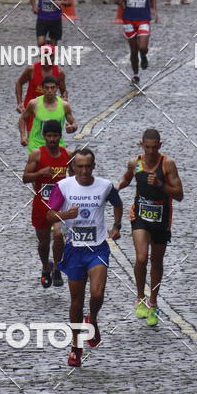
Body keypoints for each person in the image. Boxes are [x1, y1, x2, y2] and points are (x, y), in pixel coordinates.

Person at [46, 147, 123, 366]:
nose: (84, 171)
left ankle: (94, 319)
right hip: (74, 249)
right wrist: (65, 214)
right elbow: (49, 214)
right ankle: (76, 346)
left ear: (94, 166)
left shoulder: (105, 186)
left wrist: (116, 226)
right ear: (73, 167)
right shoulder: (63, 186)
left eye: (88, 166)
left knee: (97, 293)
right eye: (80, 166)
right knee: (76, 301)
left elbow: (117, 204)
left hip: (97, 247)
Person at [117, 129, 184, 327]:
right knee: (140, 257)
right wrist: (113, 188)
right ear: (141, 145)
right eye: (147, 147)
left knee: (156, 262)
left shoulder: (168, 164)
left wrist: (161, 185)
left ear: (160, 146)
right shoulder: (135, 162)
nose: (151, 151)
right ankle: (139, 297)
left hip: (162, 219)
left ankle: (153, 302)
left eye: (155, 147)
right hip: (140, 217)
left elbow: (179, 194)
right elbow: (126, 178)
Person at [22, 119, 71, 288]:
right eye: (49, 136)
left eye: (55, 136)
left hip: (60, 207)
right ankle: (45, 266)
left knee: (59, 236)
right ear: (44, 136)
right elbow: (25, 178)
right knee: (43, 242)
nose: (52, 139)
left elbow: (75, 180)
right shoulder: (37, 154)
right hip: (41, 205)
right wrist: (40, 173)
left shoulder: (67, 155)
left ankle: (57, 267)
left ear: (60, 136)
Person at [116, 0, 158, 85]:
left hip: (143, 19)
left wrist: (154, 11)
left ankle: (144, 55)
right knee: (133, 50)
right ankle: (136, 75)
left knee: (142, 47)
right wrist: (120, 1)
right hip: (128, 20)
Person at [20, 75, 77, 152]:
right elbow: (23, 119)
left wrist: (72, 128)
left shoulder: (64, 105)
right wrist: (23, 136)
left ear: (57, 88)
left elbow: (74, 123)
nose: (49, 90)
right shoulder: (34, 103)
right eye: (46, 88)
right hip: (36, 146)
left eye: (52, 88)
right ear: (42, 88)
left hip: (57, 146)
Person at [15, 46, 67, 119]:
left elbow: (63, 92)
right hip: (32, 110)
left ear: (54, 57)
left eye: (50, 56)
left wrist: (64, 100)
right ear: (40, 56)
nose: (47, 59)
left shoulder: (59, 73)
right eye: (44, 56)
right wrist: (19, 103)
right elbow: (19, 83)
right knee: (33, 130)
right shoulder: (31, 70)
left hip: (50, 109)